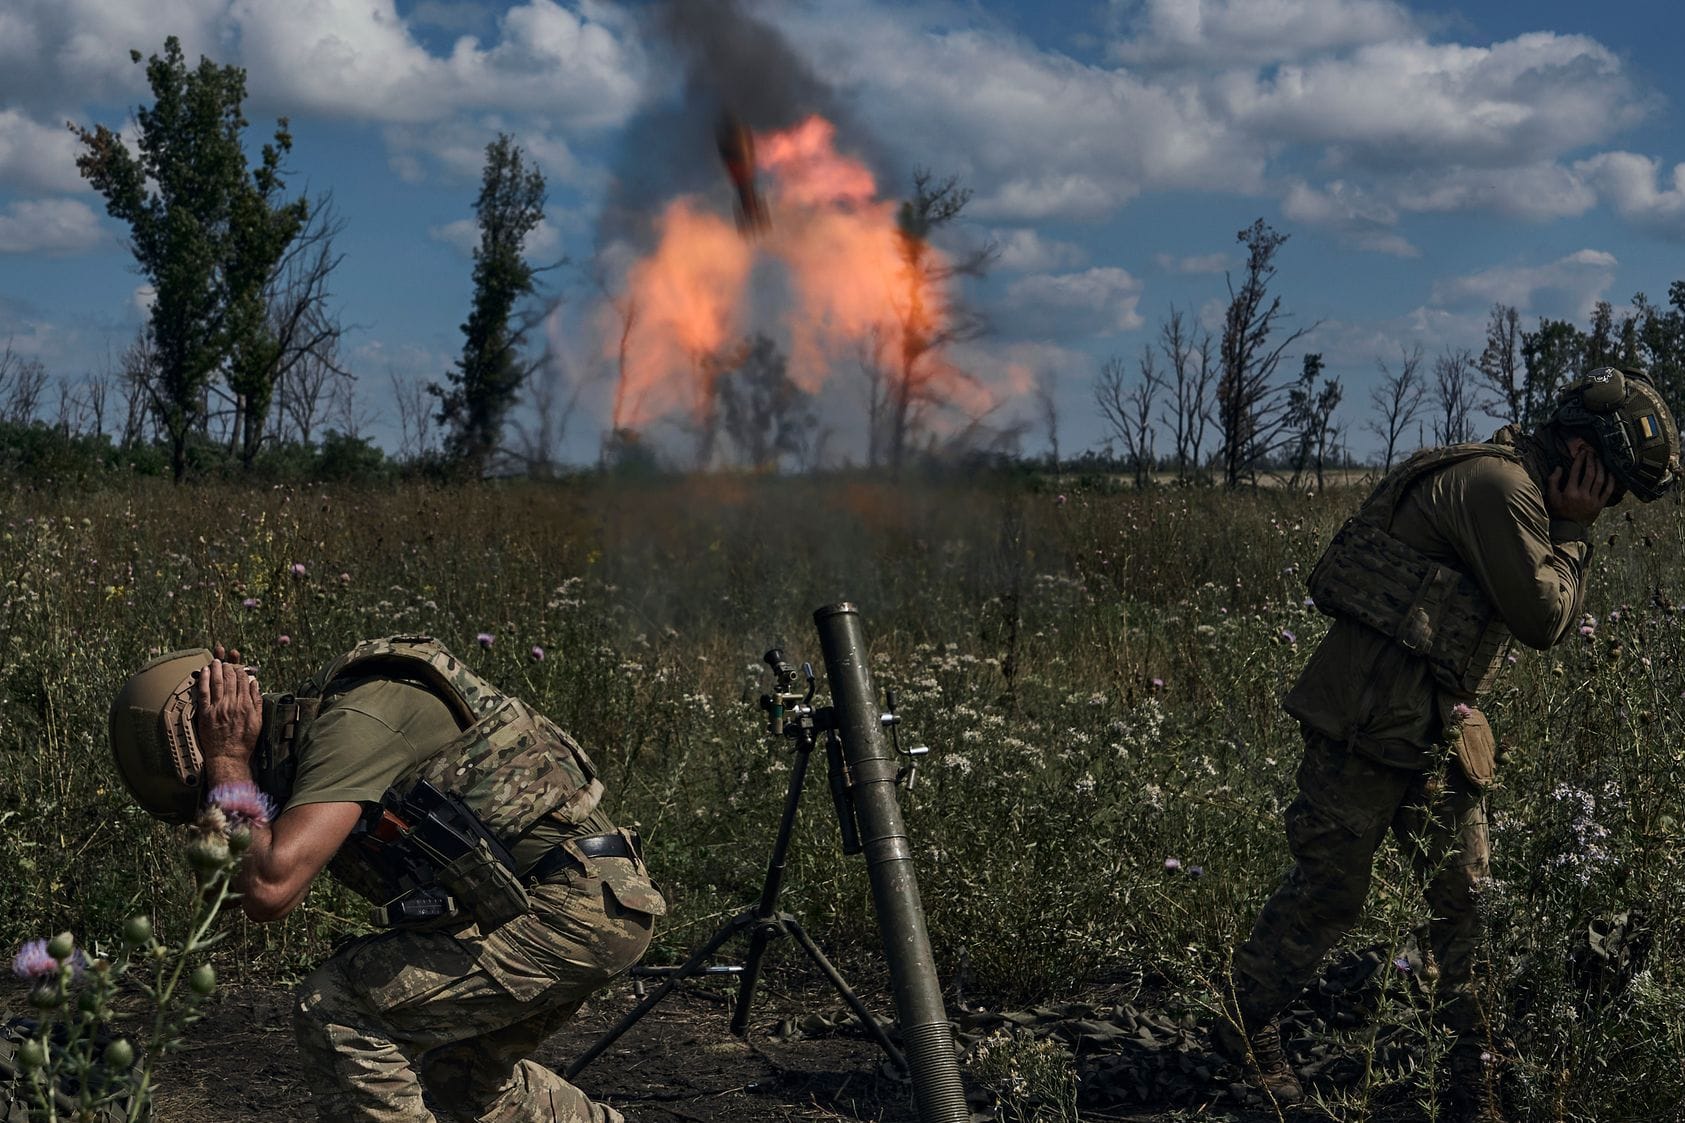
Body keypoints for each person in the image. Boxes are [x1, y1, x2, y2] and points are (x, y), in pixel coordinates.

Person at [1212, 367, 1679, 1120]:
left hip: (1435, 726)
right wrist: (1575, 532)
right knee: (1328, 891)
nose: (1613, 500)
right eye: (1612, 484)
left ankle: (1469, 1081)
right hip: (1364, 724)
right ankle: (1243, 1026)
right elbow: (1542, 617)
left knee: (1463, 900)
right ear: (1582, 454)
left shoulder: (1515, 486)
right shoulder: (1498, 488)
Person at [109, 635, 665, 1123]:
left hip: (574, 906)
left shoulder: (348, 727)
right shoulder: (299, 756)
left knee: (337, 1005)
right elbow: (226, 892)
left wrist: (226, 757)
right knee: (463, 1083)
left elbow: (269, 889)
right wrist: (228, 778)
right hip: (567, 907)